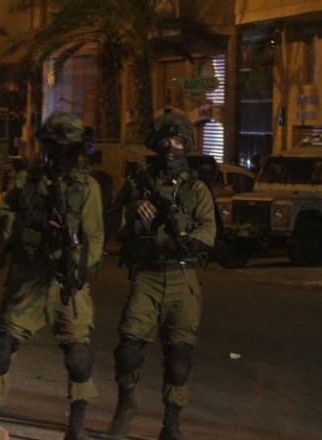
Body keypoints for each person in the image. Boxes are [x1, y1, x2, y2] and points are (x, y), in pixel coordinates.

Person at [0, 112, 104, 440]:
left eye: (69, 147)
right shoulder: (27, 183)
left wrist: (73, 259)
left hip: (66, 283)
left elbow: (95, 240)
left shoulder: (86, 188)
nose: (62, 153)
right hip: (28, 279)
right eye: (56, 146)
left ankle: (77, 426)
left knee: (79, 357)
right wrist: (28, 223)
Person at [108, 109, 216, 440]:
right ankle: (126, 404)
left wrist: (183, 241)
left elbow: (208, 231)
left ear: (187, 146)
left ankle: (171, 423)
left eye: (179, 142)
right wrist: (132, 209)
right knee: (129, 351)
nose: (172, 148)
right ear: (157, 144)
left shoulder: (196, 190)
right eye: (167, 140)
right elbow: (112, 223)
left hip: (183, 278)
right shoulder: (137, 185)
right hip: (148, 276)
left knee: (179, 360)